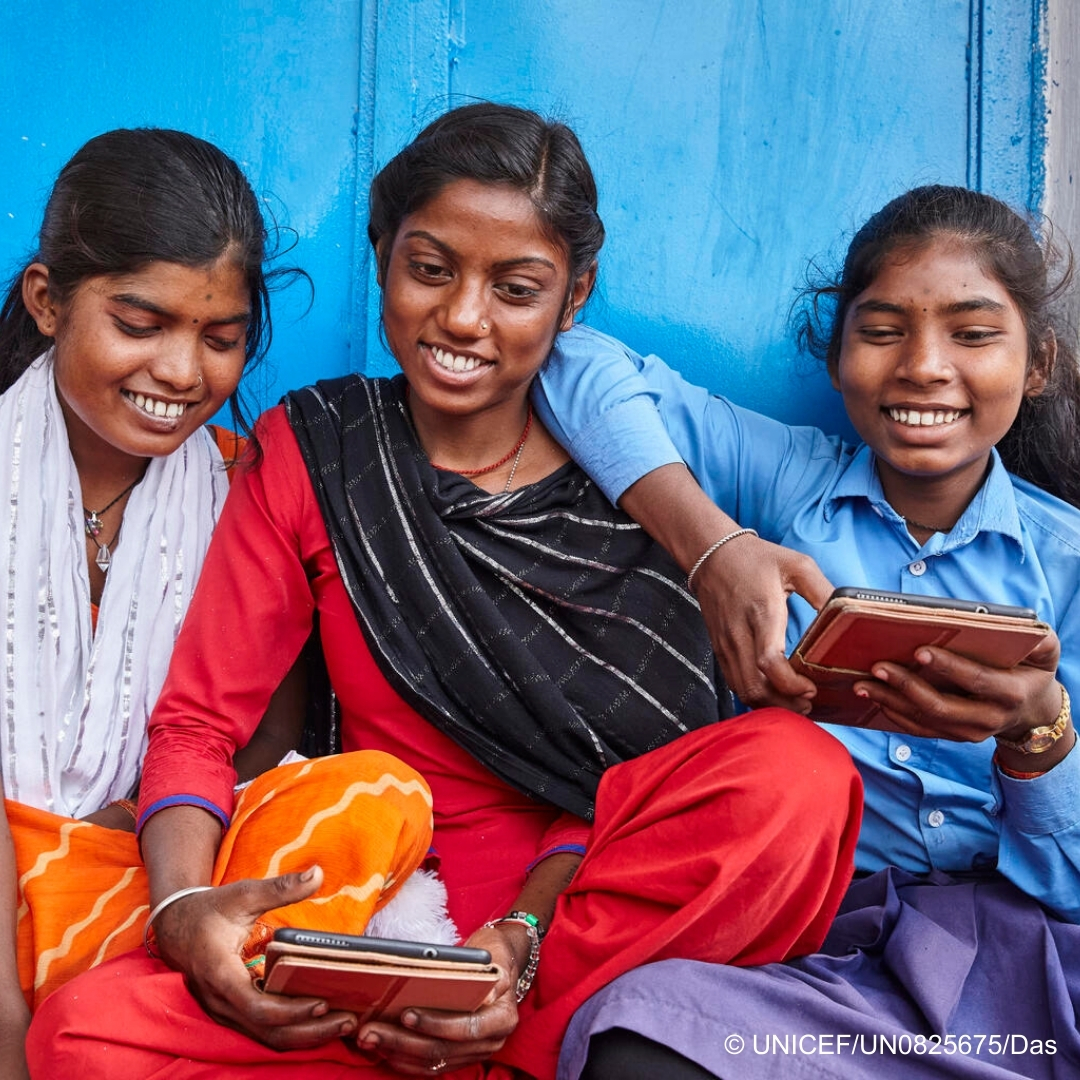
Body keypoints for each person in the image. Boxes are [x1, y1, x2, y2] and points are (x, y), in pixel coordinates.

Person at [26, 102, 863, 1080]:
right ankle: (483, 1050)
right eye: (430, 269)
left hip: (581, 921)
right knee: (85, 1035)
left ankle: (507, 1040)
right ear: (382, 258)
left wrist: (521, 940)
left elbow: (638, 782)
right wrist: (181, 915)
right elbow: (198, 726)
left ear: (575, 295)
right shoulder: (318, 447)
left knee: (800, 781)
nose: (463, 317)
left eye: (516, 288)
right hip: (377, 920)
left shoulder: (632, 480)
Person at [529, 185, 1080, 1078]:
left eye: (974, 335)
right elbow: (572, 363)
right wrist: (714, 546)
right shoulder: (785, 481)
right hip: (824, 953)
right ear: (836, 355)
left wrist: (1038, 731)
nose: (924, 367)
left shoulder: (1066, 563)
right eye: (883, 329)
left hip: (1025, 963)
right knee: (634, 1038)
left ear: (1037, 363)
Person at [0, 127, 333, 1079]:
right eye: (140, 324)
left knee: (365, 800)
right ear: (47, 301)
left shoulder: (242, 491)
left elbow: (263, 740)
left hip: (144, 882)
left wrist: (135, 834)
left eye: (219, 338)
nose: (183, 373)